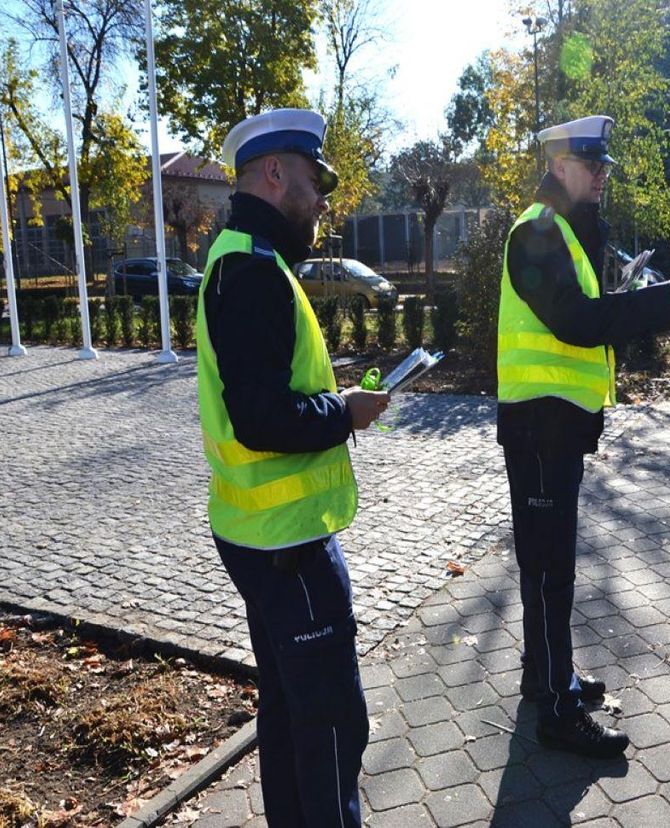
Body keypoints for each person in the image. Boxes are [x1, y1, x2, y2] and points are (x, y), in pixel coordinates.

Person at [195, 108, 389, 828]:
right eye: (315, 181)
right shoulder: (250, 269)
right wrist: (346, 413)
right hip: (288, 547)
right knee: (333, 725)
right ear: (275, 173)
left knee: (286, 715)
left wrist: (332, 402)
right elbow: (263, 417)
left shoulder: (247, 256)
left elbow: (259, 398)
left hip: (265, 535)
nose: (322, 199)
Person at [497, 114, 670, 758]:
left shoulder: (561, 231)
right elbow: (575, 323)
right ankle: (558, 711)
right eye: (592, 166)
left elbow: (586, 313)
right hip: (541, 427)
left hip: (555, 426)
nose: (602, 177)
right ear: (559, 166)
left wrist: (644, 296)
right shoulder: (535, 232)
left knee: (549, 564)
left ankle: (546, 676)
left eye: (604, 168)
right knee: (548, 570)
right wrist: (661, 299)